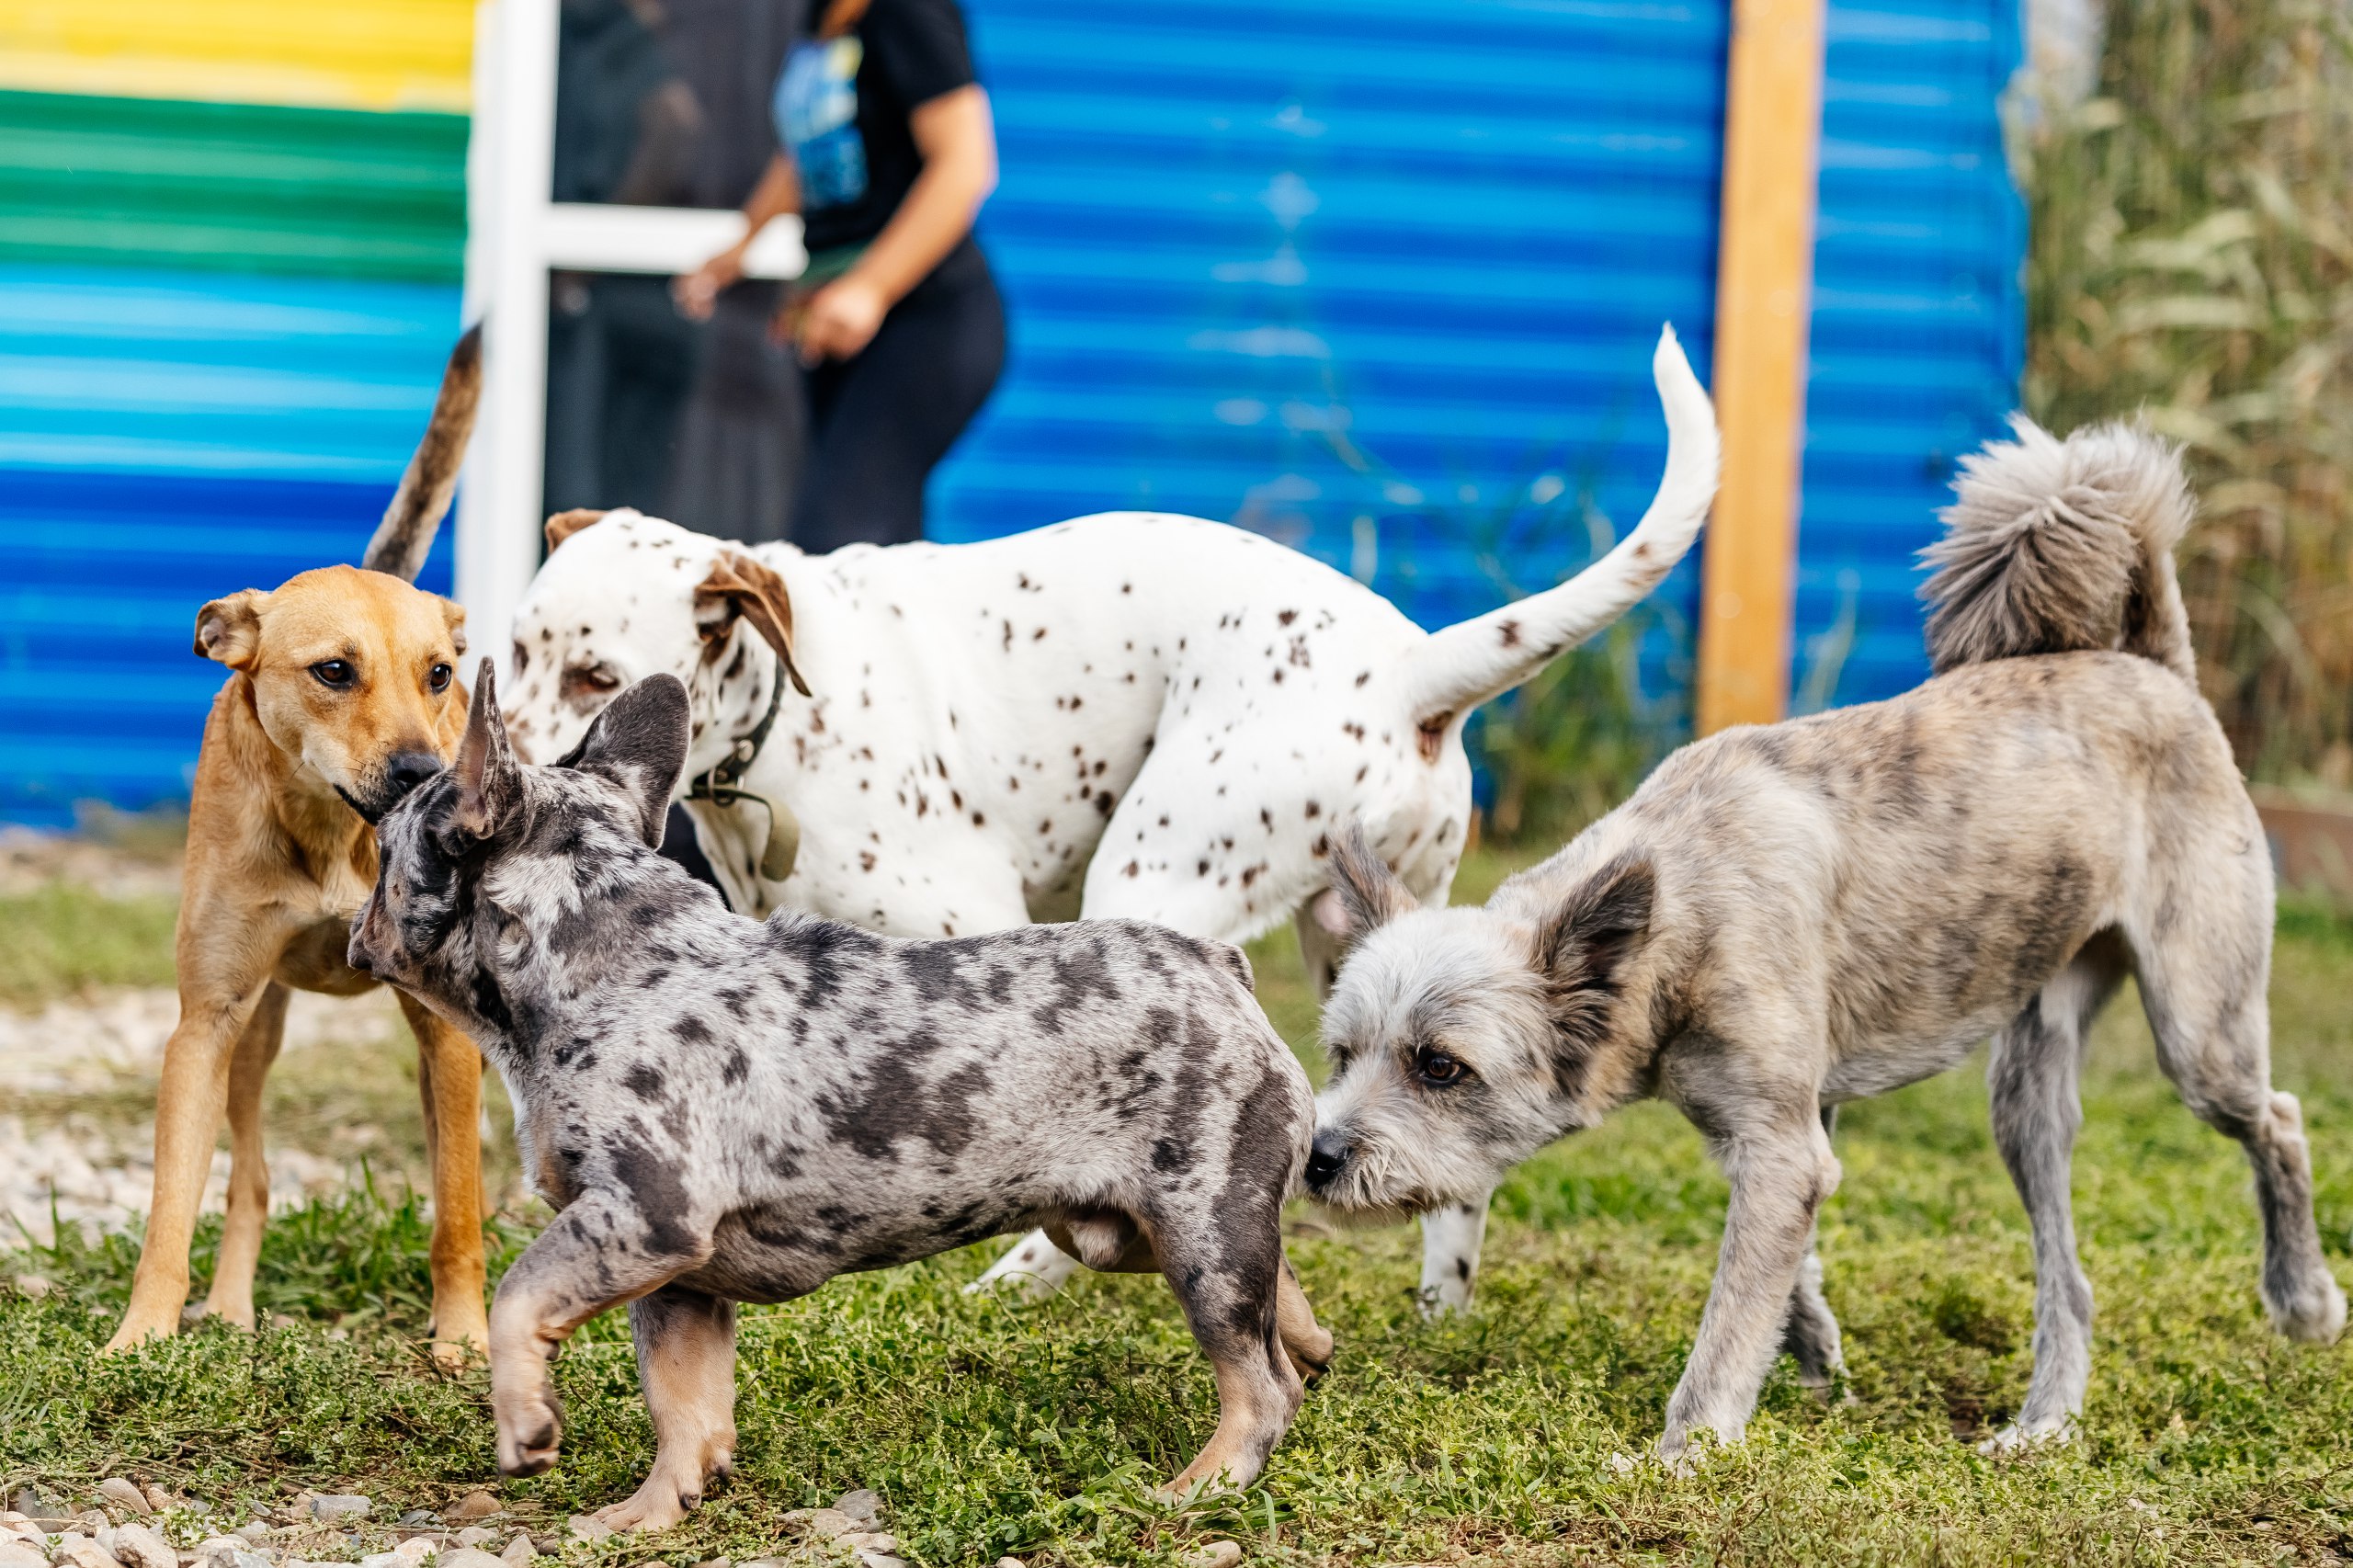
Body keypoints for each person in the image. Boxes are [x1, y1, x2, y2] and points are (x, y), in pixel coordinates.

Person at [676, 0, 1003, 551]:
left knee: (835, 546)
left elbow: (966, 164)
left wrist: (869, 288)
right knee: (883, 555)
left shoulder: (907, 13)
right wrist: (742, 246)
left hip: (927, 324)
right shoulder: (822, 17)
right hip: (842, 336)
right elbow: (809, 148)